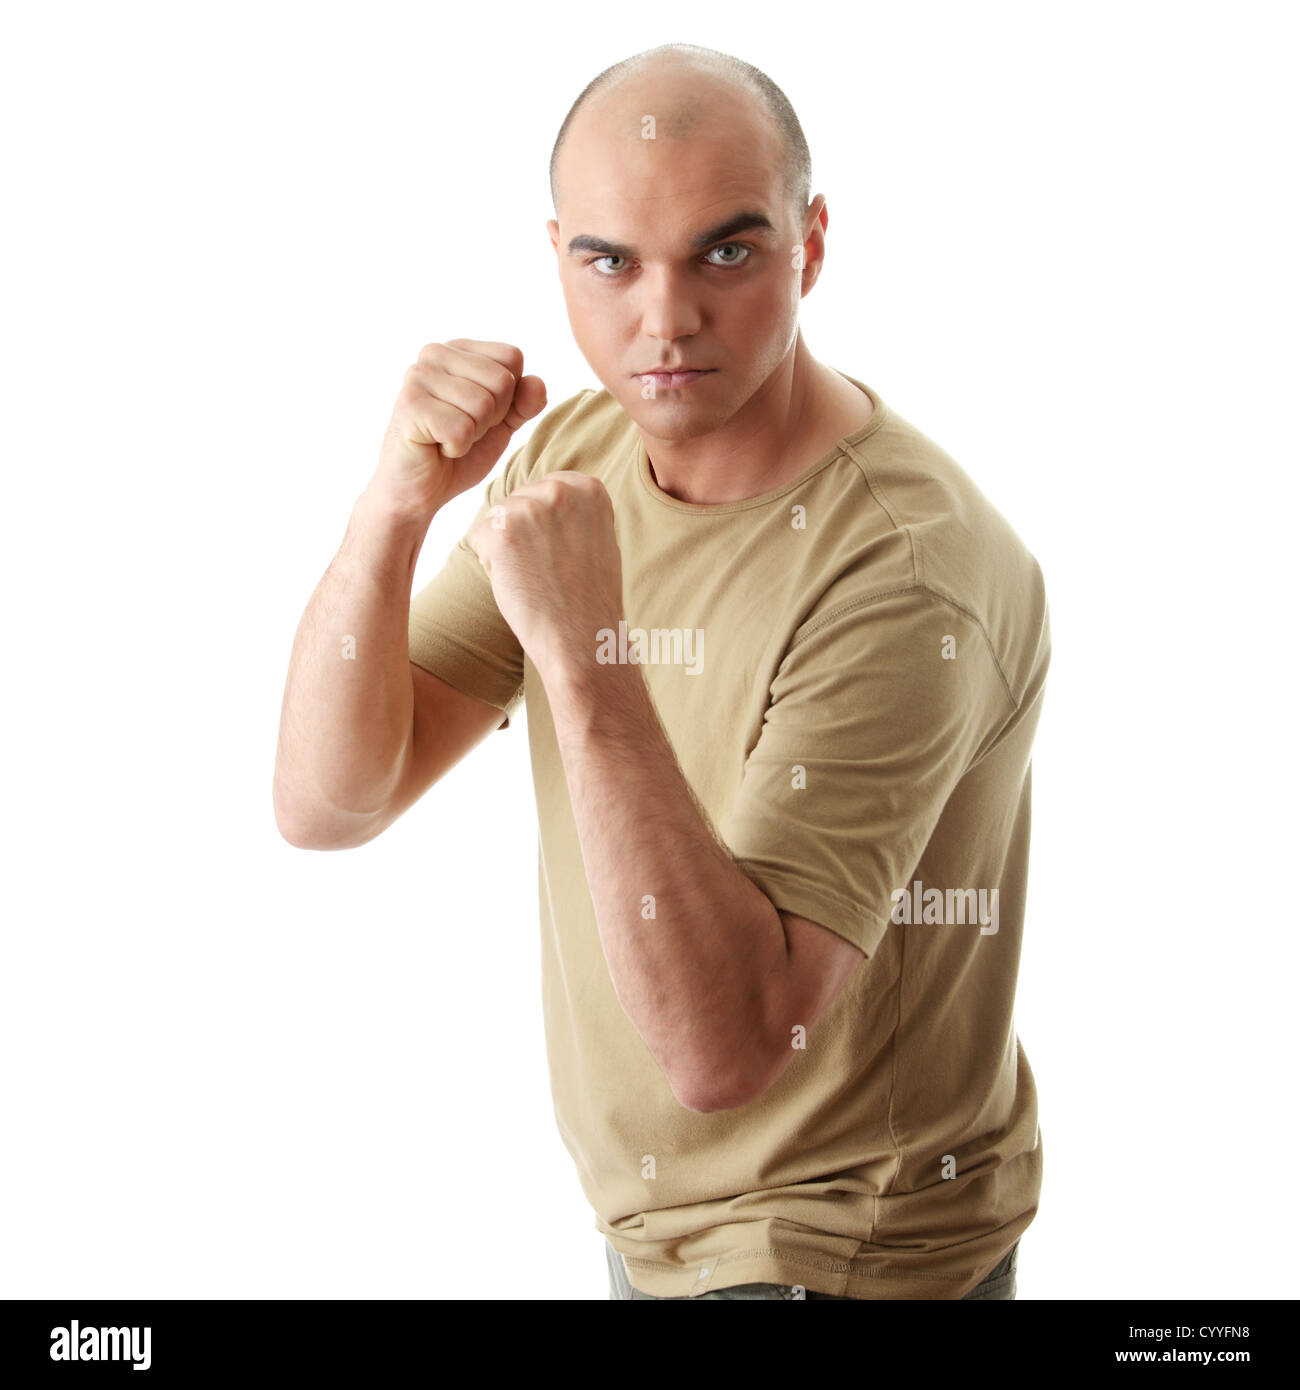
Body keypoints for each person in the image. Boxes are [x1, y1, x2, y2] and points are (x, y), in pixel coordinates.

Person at [273, 42, 1049, 1301]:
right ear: (559, 253)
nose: (665, 318)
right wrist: (393, 508)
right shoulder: (579, 454)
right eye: (612, 261)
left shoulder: (907, 576)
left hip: (843, 1263)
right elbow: (330, 800)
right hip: (659, 1241)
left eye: (725, 253)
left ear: (810, 244)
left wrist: (586, 661)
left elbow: (727, 1044)